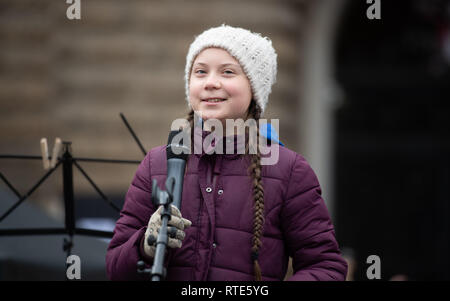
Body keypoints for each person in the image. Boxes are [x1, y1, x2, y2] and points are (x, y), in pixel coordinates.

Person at [106, 24, 348, 281]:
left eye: (228, 72)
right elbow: (114, 268)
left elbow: (326, 268)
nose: (211, 83)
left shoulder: (289, 170)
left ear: (254, 89)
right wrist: (145, 246)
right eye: (200, 72)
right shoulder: (156, 163)